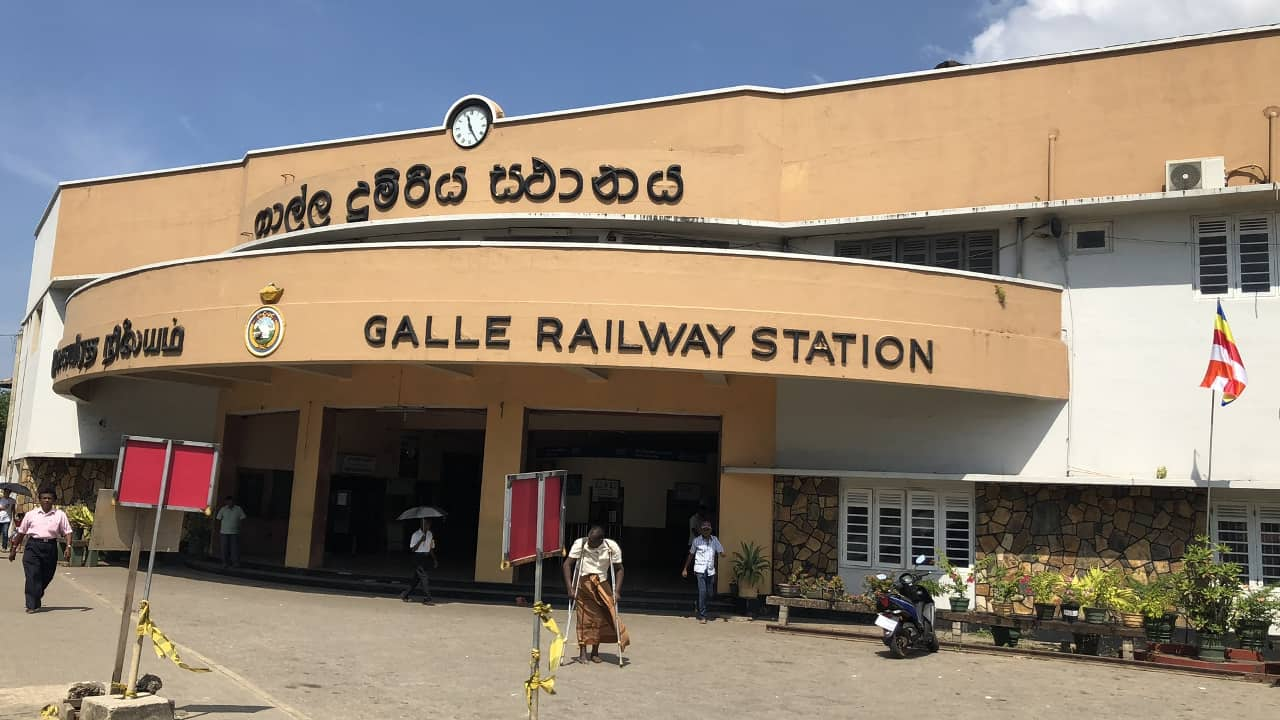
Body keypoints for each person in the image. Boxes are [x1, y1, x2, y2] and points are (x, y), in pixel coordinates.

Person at [562, 525, 630, 664]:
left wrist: (617, 591)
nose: (590, 544)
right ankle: (582, 653)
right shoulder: (580, 543)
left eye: (593, 543)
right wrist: (570, 588)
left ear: (601, 541)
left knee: (600, 618)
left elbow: (619, 569)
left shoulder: (611, 547)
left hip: (602, 584)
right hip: (583, 582)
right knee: (583, 618)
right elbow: (567, 564)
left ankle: (594, 652)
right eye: (589, 541)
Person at [8, 486, 72, 613]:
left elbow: (68, 531)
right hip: (33, 546)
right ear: (40, 500)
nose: (47, 500)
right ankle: (31, 605)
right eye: (44, 498)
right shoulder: (31, 515)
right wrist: (14, 548)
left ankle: (36, 593)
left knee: (47, 575)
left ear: (53, 500)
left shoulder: (60, 515)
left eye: (49, 498)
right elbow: (21, 532)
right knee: (32, 575)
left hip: (50, 547)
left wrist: (68, 547)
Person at [681, 520, 725, 624]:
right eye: (704, 529)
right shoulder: (696, 541)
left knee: (709, 593)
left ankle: (699, 603)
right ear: (701, 530)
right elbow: (691, 555)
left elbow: (720, 551)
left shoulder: (714, 540)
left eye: (707, 529)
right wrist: (685, 568)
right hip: (700, 570)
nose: (706, 531)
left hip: (710, 570)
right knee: (702, 591)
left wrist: (722, 554)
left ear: (710, 530)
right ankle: (702, 615)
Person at [401, 518, 438, 604]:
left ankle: (405, 594)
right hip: (418, 558)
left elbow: (431, 548)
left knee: (416, 580)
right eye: (426, 524)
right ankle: (427, 598)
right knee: (424, 578)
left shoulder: (430, 534)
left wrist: (435, 559)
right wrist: (421, 540)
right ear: (422, 524)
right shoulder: (415, 534)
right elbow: (413, 549)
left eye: (429, 524)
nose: (428, 526)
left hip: (425, 557)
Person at [214, 496, 247, 568]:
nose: (229, 503)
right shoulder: (223, 509)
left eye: (231, 501)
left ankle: (235, 563)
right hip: (224, 532)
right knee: (224, 548)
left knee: (234, 548)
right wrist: (217, 531)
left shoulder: (238, 509)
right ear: (226, 502)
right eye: (228, 501)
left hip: (234, 532)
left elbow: (243, 519)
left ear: (233, 502)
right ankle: (225, 563)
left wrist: (241, 529)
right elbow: (218, 519)